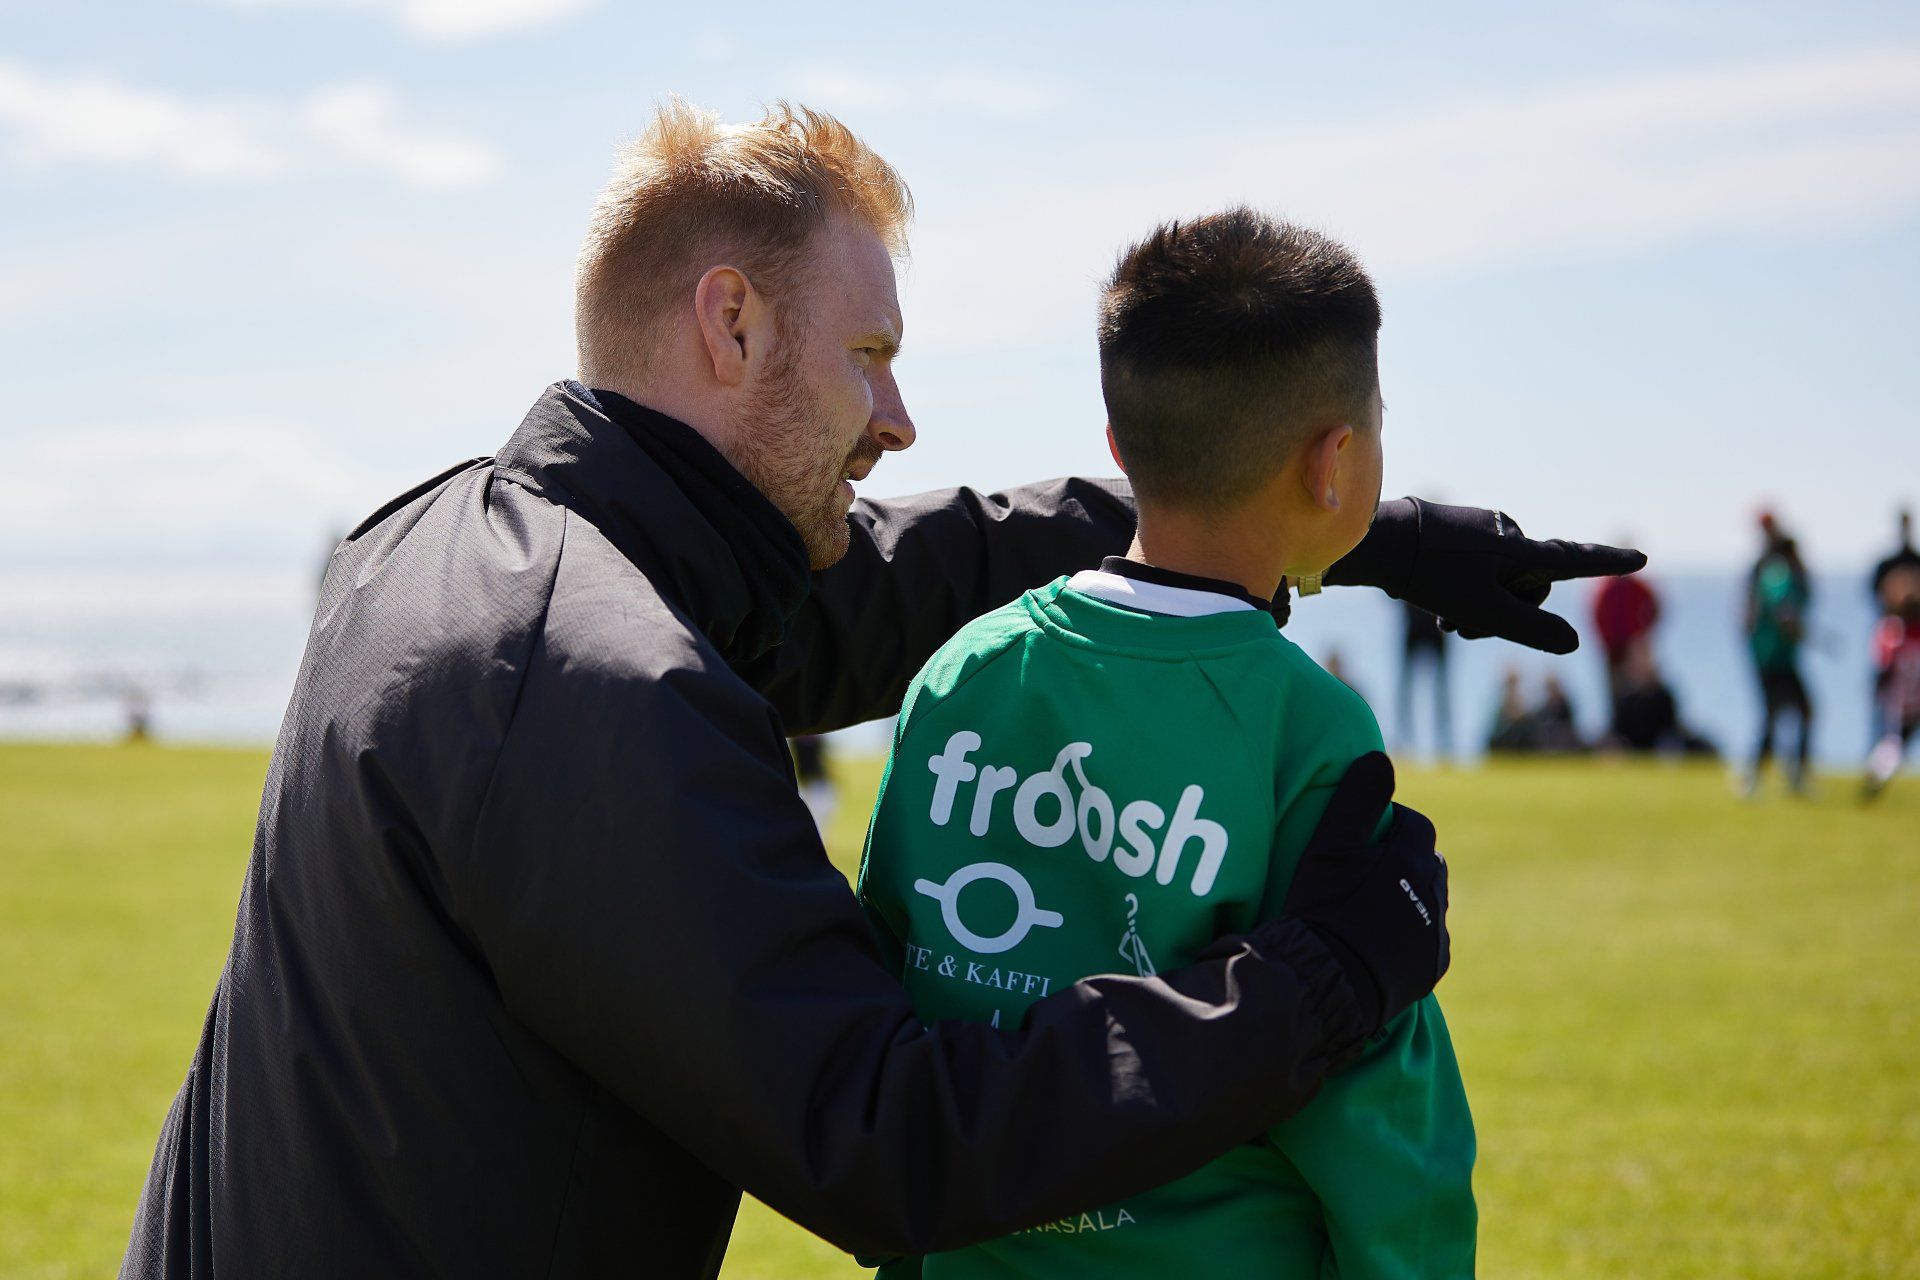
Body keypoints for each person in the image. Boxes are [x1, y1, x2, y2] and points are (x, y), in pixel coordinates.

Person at [121, 103, 1641, 1279]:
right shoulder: (595, 687)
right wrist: (1316, 980)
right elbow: (892, 1133)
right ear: (731, 323)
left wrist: (1328, 527)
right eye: (869, 354)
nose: (899, 417)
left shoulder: (459, 546)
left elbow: (904, 579)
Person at [858, 212, 1472, 1278]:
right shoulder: (1308, 728)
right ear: (1335, 463)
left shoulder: (962, 672)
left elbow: (890, 997)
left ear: (1118, 444)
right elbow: (1378, 1116)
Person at [1743, 513, 1814, 795]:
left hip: (1776, 656)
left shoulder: (1774, 571)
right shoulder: (1779, 573)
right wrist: (1793, 625)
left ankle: (1777, 774)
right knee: (1786, 714)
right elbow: (1782, 610)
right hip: (1772, 657)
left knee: (1787, 714)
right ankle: (1767, 775)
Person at [1863, 560, 1920, 799]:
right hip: (1906, 699)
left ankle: (1876, 774)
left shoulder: (1890, 631)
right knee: (1894, 743)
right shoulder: (1897, 632)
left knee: (1892, 742)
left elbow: (1883, 667)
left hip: (1899, 699)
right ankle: (1876, 774)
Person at [1592, 567, 1660, 700]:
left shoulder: (1636, 586)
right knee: (1618, 692)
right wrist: (1609, 642)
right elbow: (1598, 617)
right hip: (1615, 651)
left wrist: (1643, 634)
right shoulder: (1607, 588)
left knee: (1644, 688)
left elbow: (1654, 606)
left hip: (1633, 647)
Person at [1398, 598, 1452, 755]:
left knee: (1441, 689)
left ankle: (1444, 742)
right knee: (1406, 688)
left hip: (1438, 627)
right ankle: (1404, 740)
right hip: (1415, 625)